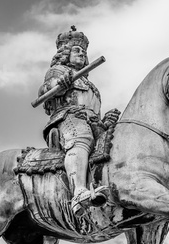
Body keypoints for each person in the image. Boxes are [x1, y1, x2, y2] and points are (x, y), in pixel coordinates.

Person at [38, 26, 118, 217]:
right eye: (77, 50)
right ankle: (79, 193)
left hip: (92, 123)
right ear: (65, 53)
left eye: (83, 52)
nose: (81, 54)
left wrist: (105, 120)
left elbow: (94, 113)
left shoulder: (91, 85)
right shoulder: (58, 71)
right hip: (67, 119)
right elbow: (44, 93)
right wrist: (59, 85)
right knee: (81, 138)